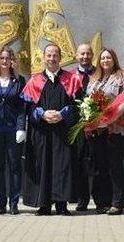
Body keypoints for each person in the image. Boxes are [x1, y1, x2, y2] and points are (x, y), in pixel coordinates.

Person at [22, 44, 83, 215]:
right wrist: (41, 114)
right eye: (49, 55)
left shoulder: (72, 80)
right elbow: (27, 107)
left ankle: (61, 204)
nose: (52, 58)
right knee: (43, 165)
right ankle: (44, 205)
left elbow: (79, 106)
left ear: (60, 57)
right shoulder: (34, 81)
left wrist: (64, 113)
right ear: (44, 57)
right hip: (41, 133)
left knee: (62, 166)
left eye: (55, 55)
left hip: (63, 132)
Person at [86, 48, 124, 215]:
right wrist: (91, 120)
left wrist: (108, 121)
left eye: (108, 58)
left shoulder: (122, 78)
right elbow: (88, 102)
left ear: (114, 60)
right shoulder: (94, 79)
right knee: (100, 166)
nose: (105, 60)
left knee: (115, 165)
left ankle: (117, 202)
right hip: (96, 130)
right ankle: (101, 202)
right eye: (103, 58)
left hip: (115, 128)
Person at [0, 46, 27, 215]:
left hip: (13, 129)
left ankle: (14, 202)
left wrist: (21, 128)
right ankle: (1, 203)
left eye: (8, 58)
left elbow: (22, 107)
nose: (5, 61)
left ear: (12, 61)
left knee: (14, 166)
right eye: (1, 58)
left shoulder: (20, 81)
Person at [72, 44, 95, 212]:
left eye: (88, 54)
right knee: (79, 164)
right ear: (76, 55)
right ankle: (82, 199)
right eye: (82, 54)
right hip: (78, 127)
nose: (85, 57)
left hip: (99, 126)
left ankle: (101, 200)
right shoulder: (71, 76)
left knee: (99, 163)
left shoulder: (99, 73)